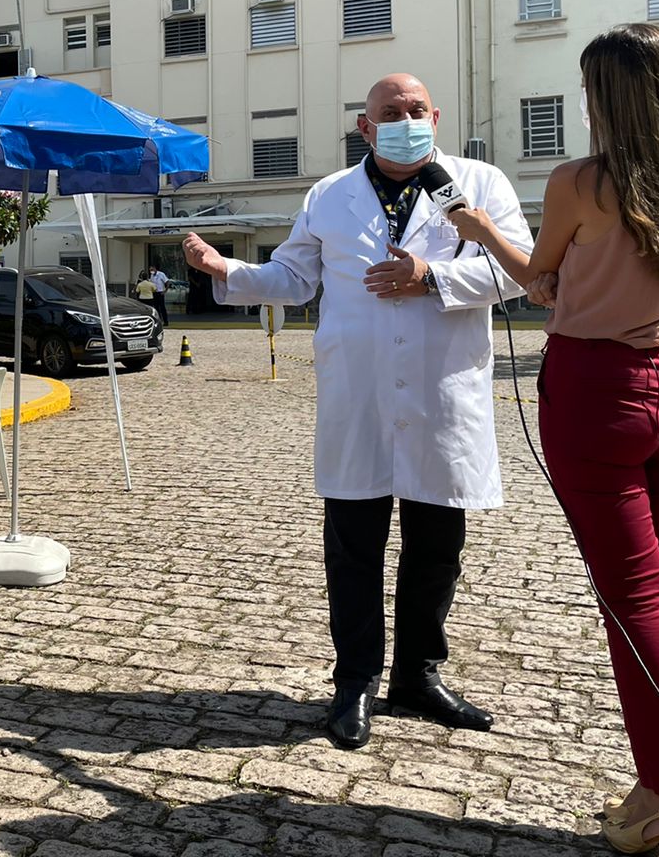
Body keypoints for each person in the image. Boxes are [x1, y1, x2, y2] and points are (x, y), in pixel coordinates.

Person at [448, 25, 659, 856]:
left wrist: (483, 232)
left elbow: (540, 283)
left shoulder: (579, 180)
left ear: (608, 96)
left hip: (598, 392)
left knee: (634, 599)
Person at [182, 73, 533, 751]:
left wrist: (431, 278)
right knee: (353, 547)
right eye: (390, 112)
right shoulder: (329, 195)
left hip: (441, 391)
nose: (406, 120)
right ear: (365, 128)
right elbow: (294, 278)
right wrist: (229, 271)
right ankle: (355, 681)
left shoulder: (479, 185)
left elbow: (520, 271)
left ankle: (418, 676)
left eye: (417, 109)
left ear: (436, 116)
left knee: (436, 546)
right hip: (358, 392)